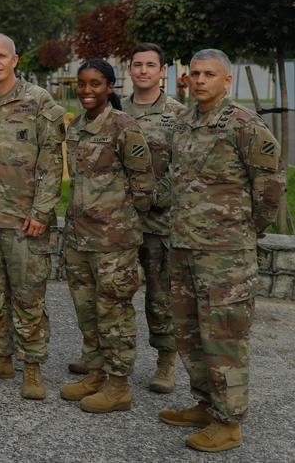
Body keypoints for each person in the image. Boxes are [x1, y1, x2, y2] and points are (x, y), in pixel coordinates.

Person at [160, 49, 284, 452]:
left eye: (208, 74)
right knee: (190, 332)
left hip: (225, 253)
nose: (199, 80)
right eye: (194, 74)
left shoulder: (244, 125)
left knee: (224, 336)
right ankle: (206, 405)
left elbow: (270, 187)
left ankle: (229, 423)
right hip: (183, 246)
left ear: (226, 81)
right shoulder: (183, 122)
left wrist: (246, 228)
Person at [0, 34, 65, 401]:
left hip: (25, 220)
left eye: (1, 56)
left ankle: (32, 367)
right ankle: (0, 357)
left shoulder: (38, 101)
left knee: (28, 297)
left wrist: (41, 210)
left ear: (15, 59)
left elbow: (52, 162)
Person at [58, 59, 153, 413]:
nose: (86, 90)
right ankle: (96, 373)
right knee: (88, 313)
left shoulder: (124, 127)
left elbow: (144, 185)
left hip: (113, 242)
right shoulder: (77, 126)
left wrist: (124, 224)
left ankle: (119, 386)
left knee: (115, 314)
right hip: (80, 239)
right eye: (81, 84)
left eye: (95, 84)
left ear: (110, 87)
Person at [112, 43, 188, 394]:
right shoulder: (116, 110)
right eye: (137, 65)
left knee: (160, 296)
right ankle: (105, 356)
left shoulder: (178, 114)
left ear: (162, 72)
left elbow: (181, 166)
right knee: (112, 292)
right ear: (129, 70)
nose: (143, 70)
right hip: (120, 220)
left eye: (151, 65)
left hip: (160, 221)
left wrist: (152, 198)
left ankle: (165, 361)